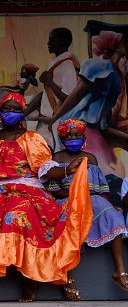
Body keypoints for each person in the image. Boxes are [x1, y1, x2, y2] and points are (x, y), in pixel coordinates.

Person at [0, 93, 92, 302]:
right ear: (0, 111)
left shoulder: (32, 139)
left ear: (22, 113)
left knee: (17, 215)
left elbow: (46, 170)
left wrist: (67, 170)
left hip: (25, 189)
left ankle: (29, 281)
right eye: (7, 108)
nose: (11, 113)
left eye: (16, 109)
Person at [46, 119, 128, 297]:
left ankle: (119, 271)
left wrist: (111, 205)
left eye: (77, 136)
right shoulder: (56, 159)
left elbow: (101, 189)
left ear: (84, 138)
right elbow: (53, 189)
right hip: (66, 200)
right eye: (69, 136)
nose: (73, 139)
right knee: (66, 223)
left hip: (92, 200)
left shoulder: (90, 158)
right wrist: (75, 195)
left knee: (112, 215)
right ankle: (66, 276)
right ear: (62, 138)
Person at [43, 31, 126, 175]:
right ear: (122, 46)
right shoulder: (98, 66)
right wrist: (55, 118)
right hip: (79, 125)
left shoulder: (117, 73)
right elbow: (75, 95)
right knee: (91, 169)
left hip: (93, 127)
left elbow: (104, 112)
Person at [25, 28, 79, 149]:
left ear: (63, 41)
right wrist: (25, 113)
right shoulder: (54, 62)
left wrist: (50, 82)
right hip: (45, 121)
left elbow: (69, 99)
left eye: (52, 40)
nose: (48, 43)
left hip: (57, 122)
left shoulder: (68, 64)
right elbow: (45, 94)